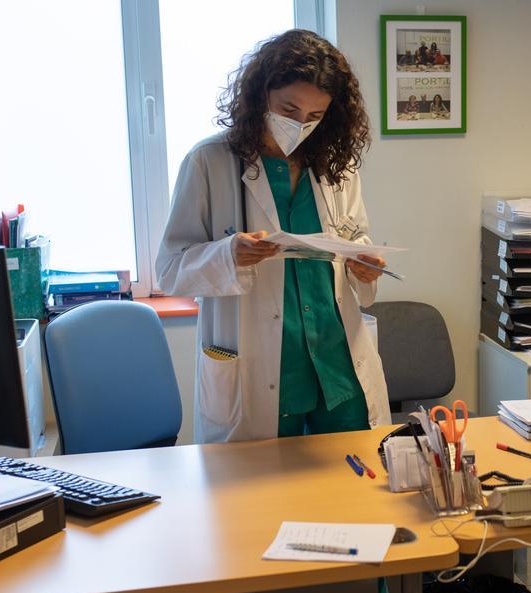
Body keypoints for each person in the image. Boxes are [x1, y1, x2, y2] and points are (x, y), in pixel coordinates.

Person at [156, 29, 391, 443]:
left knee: (353, 492)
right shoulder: (208, 162)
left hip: (337, 368)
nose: (300, 125)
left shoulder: (336, 166)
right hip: (259, 369)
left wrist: (364, 268)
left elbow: (356, 242)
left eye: (315, 116)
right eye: (289, 109)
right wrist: (229, 255)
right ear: (260, 94)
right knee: (252, 499)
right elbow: (171, 270)